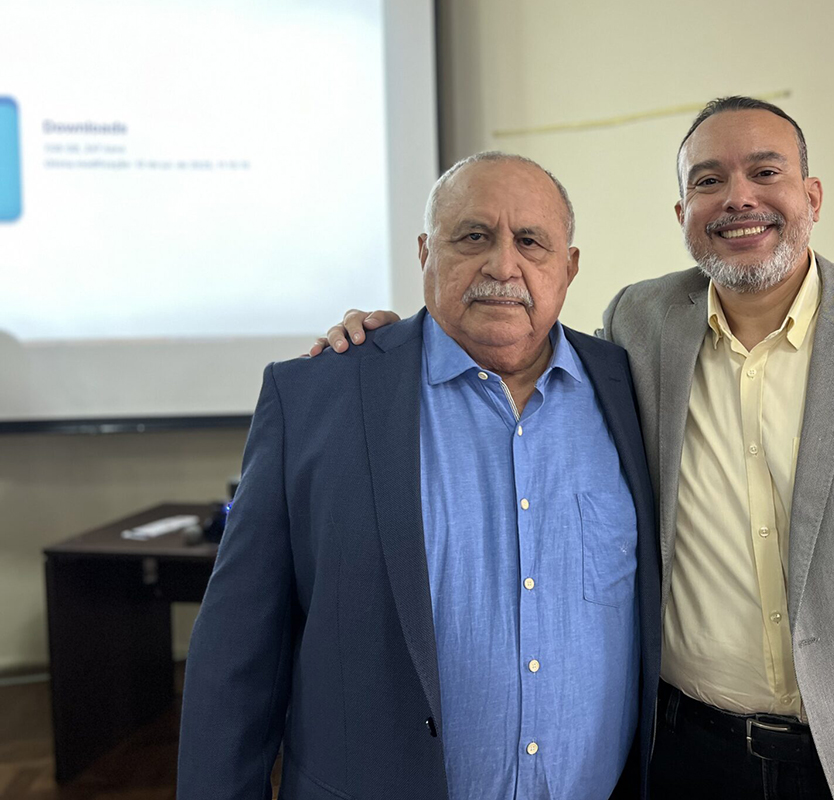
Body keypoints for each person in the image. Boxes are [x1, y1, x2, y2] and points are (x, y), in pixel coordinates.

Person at [316, 97, 834, 800]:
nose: (739, 197)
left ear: (812, 197)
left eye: (765, 172)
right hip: (684, 760)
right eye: (709, 180)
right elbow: (520, 345)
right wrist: (396, 344)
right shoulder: (639, 328)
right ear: (682, 214)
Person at [178, 153, 660, 800]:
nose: (502, 265)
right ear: (425, 252)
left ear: (568, 266)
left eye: (530, 242)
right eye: (473, 237)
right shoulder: (319, 397)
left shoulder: (629, 388)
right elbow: (236, 660)